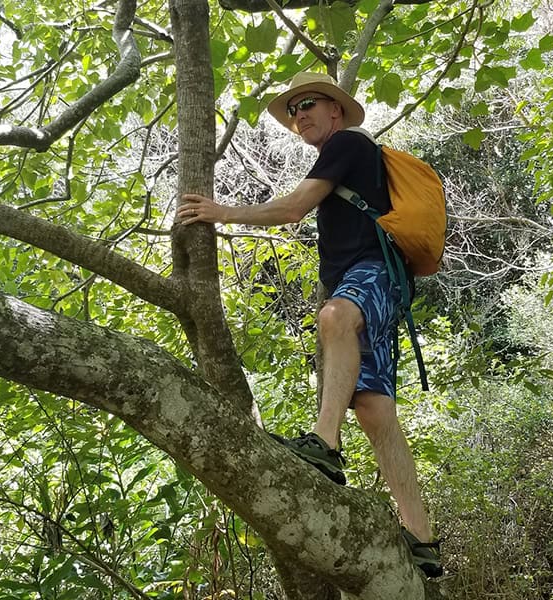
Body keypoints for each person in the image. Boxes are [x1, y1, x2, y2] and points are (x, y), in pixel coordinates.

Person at [177, 71, 442, 578]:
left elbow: (293, 207)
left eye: (309, 104)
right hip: (386, 283)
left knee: (334, 315)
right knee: (374, 411)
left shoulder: (346, 143)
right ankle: (424, 541)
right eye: (294, 109)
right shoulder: (346, 155)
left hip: (375, 272)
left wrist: (218, 211)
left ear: (336, 110)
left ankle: (324, 446)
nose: (300, 115)